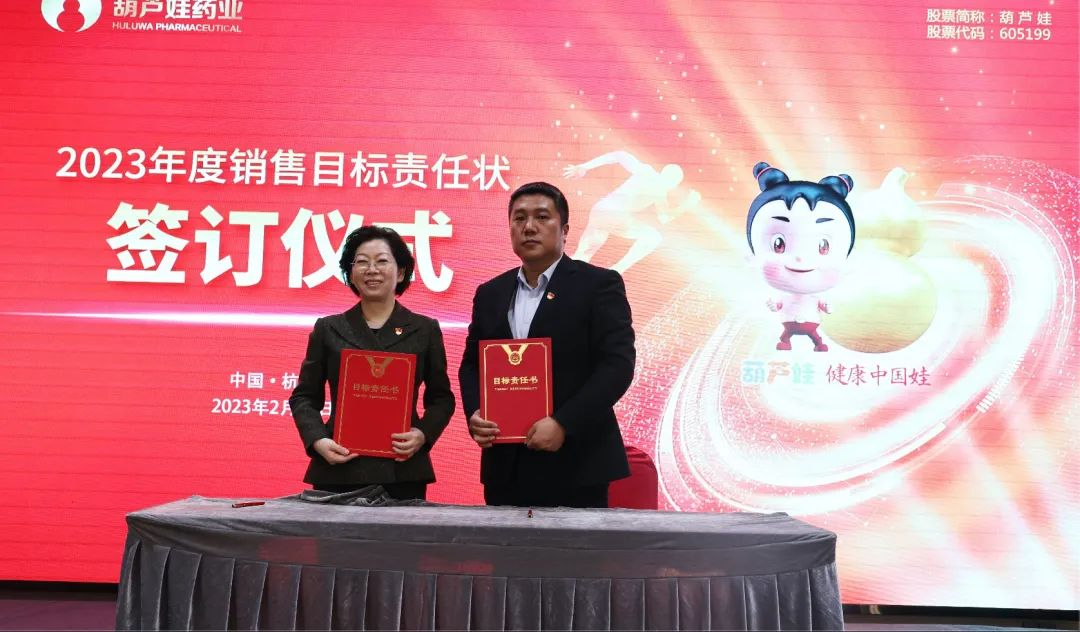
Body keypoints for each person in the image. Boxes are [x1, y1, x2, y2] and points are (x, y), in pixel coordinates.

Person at [459, 181, 636, 508]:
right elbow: (472, 364)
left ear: (564, 229)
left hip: (577, 462)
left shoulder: (599, 284)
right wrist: (475, 413)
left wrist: (564, 423)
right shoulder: (490, 293)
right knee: (505, 543)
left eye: (542, 217)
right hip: (505, 465)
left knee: (574, 545)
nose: (529, 227)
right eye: (519, 218)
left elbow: (617, 366)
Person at [290, 225, 455, 500]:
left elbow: (441, 398)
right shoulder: (328, 328)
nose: (372, 270)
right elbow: (304, 397)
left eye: (382, 261)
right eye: (362, 262)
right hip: (338, 466)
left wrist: (422, 435)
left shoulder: (424, 329)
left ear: (400, 272)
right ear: (351, 273)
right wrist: (318, 439)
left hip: (402, 469)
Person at [563, 150, 701, 273]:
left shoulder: (650, 178)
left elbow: (619, 155)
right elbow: (665, 217)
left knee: (583, 255)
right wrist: (687, 205)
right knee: (653, 237)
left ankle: (560, 280)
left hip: (601, 210)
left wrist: (584, 167)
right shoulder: (652, 179)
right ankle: (617, 270)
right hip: (615, 215)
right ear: (673, 183)